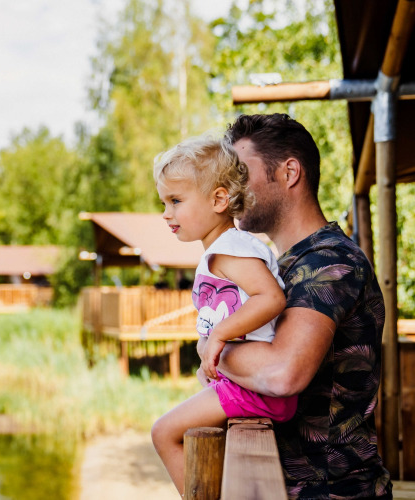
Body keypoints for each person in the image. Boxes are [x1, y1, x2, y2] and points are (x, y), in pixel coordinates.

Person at [210, 113, 392, 499]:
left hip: (336, 492)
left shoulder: (329, 262)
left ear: (289, 172)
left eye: (241, 173)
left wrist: (213, 348)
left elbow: (281, 373)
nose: (230, 187)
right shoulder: (282, 267)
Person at [149, 134, 296, 496]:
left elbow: (271, 298)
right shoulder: (224, 250)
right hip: (244, 385)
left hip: (257, 388)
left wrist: (218, 336)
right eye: (164, 202)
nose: (166, 213)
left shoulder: (230, 250)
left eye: (176, 201)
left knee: (164, 432)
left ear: (218, 199)